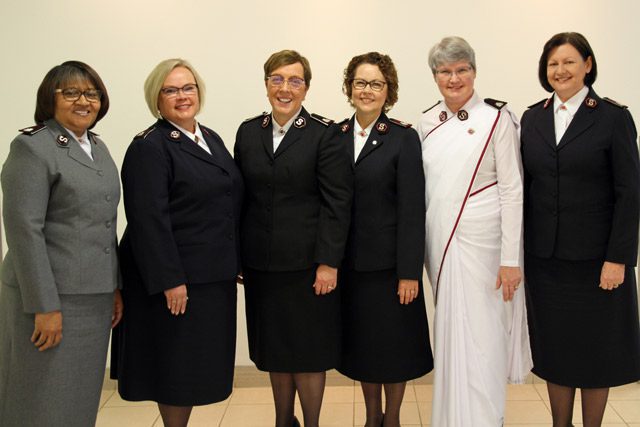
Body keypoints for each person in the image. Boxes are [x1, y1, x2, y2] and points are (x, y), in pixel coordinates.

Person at [110, 58, 244, 427]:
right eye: (171, 90)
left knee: (195, 368)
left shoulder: (209, 137)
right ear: (156, 99)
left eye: (188, 88)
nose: (182, 96)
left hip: (210, 276)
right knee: (175, 370)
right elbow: (148, 220)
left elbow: (227, 203)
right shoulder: (150, 147)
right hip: (175, 281)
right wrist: (170, 279)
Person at [521, 32, 640, 427]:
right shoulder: (532, 117)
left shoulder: (612, 117)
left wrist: (618, 259)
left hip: (597, 263)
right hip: (546, 262)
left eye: (569, 62)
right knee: (556, 351)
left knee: (596, 352)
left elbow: (629, 194)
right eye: (553, 63)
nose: (561, 70)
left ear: (587, 65)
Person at [417, 36, 532, 426]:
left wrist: (511, 259)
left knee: (484, 341)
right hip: (444, 249)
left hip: (487, 252)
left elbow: (512, 190)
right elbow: (429, 194)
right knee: (450, 336)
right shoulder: (426, 122)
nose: (454, 78)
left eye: (462, 69)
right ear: (435, 76)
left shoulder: (497, 117)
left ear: (474, 72)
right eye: (446, 71)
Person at [234, 49, 352, 427]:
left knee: (308, 352)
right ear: (267, 83)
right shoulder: (248, 131)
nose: (285, 89)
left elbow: (338, 203)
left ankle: (312, 422)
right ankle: (283, 420)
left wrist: (329, 263)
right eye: (277, 79)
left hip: (308, 268)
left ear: (306, 88)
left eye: (295, 81)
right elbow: (240, 199)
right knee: (274, 350)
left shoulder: (324, 134)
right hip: (261, 266)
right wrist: (237, 256)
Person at [0, 61, 122, 427]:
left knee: (79, 396)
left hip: (94, 299)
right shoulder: (32, 148)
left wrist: (114, 286)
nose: (83, 101)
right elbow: (24, 231)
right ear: (49, 99)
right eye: (70, 92)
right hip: (49, 301)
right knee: (40, 397)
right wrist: (44, 305)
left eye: (91, 93)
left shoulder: (97, 147)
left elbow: (104, 223)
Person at [335, 52, 433, 427]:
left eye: (376, 83)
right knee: (364, 348)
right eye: (360, 82)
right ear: (350, 87)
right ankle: (371, 416)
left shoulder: (403, 139)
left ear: (387, 90)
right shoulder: (336, 136)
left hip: (392, 269)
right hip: (351, 266)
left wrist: (409, 271)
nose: (367, 90)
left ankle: (392, 418)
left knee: (394, 348)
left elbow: (412, 210)